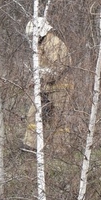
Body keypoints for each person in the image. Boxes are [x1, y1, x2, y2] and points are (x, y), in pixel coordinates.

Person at [22, 17, 71, 152]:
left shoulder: (54, 43)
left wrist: (40, 78)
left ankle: (60, 150)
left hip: (60, 89)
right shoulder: (41, 45)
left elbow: (56, 69)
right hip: (45, 88)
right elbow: (41, 67)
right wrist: (35, 79)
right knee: (33, 114)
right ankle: (31, 146)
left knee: (59, 120)